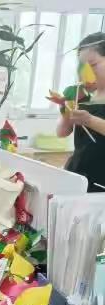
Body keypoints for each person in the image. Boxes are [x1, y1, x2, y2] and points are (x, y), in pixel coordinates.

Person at [57, 32, 105, 192]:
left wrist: (90, 120)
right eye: (82, 67)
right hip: (78, 175)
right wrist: (67, 105)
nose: (87, 73)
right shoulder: (83, 95)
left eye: (93, 65)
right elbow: (62, 132)